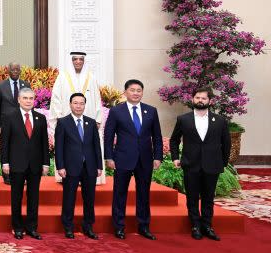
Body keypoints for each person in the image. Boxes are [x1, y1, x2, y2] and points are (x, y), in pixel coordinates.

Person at [169, 88, 231, 241]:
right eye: (197, 97)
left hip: (212, 165)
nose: (200, 100)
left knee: (209, 197)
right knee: (192, 197)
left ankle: (207, 226)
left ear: (210, 101)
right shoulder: (183, 119)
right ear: (192, 99)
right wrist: (175, 158)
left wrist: (222, 162)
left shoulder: (220, 120)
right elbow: (174, 140)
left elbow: (226, 143)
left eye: (203, 98)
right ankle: (195, 226)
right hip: (191, 164)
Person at [105, 79, 163, 240]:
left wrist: (158, 156)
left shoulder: (151, 111)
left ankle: (144, 226)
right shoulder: (117, 111)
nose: (136, 93)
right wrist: (109, 156)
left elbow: (157, 136)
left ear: (142, 93)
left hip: (145, 159)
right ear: (125, 92)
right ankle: (119, 227)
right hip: (122, 158)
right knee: (120, 193)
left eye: (139, 90)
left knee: (144, 194)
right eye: (132, 90)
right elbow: (108, 136)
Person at [49, 52, 106, 185]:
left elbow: (97, 99)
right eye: (75, 59)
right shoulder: (62, 77)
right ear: (71, 61)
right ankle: (65, 173)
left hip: (88, 121)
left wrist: (97, 118)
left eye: (81, 59)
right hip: (66, 122)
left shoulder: (91, 77)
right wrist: (58, 117)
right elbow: (56, 98)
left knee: (90, 146)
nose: (78, 62)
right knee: (67, 147)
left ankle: (92, 175)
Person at [0, 87, 49, 240]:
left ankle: (32, 228)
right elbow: (5, 142)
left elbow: (44, 143)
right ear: (19, 100)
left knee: (34, 198)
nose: (28, 101)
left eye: (30, 98)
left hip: (35, 164)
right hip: (16, 164)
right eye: (25, 98)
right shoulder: (9, 117)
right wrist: (5, 162)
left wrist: (46, 163)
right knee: (16, 197)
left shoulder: (40, 118)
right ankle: (17, 227)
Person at [54, 93, 102, 239]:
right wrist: (60, 166)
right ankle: (68, 227)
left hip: (90, 167)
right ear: (70, 104)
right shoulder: (63, 122)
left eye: (81, 103)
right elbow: (59, 147)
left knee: (89, 199)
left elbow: (96, 146)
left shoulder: (91, 122)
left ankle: (88, 226)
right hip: (70, 167)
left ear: (84, 105)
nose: (79, 106)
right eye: (75, 103)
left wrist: (99, 165)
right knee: (69, 198)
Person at [0, 62, 30, 133]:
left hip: (22, 122)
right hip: (5, 124)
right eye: (13, 70)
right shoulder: (0, 86)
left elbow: (30, 104)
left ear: (20, 71)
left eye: (17, 69)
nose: (15, 71)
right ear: (8, 71)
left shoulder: (26, 85)